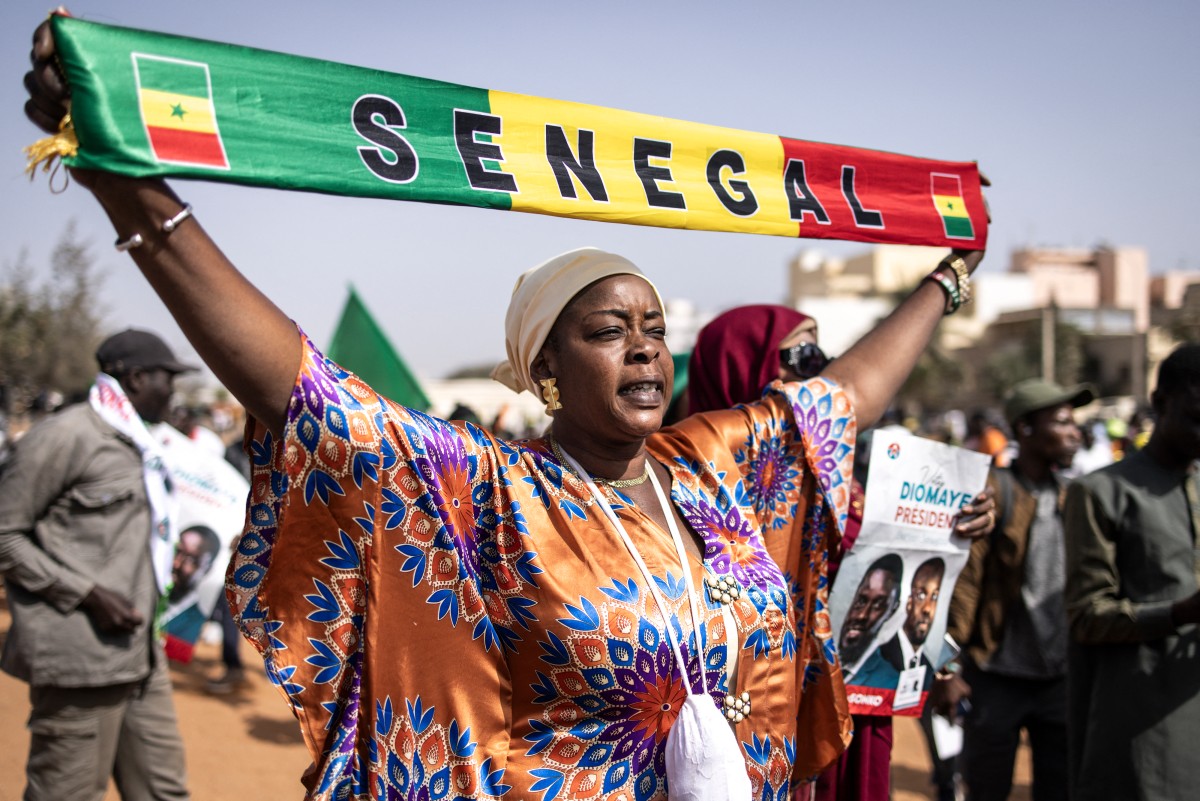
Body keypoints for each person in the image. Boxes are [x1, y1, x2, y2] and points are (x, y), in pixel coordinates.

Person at [24, 15, 987, 799]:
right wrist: (123, 184)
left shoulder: (712, 470)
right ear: (549, 370)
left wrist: (947, 277)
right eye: (610, 329)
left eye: (654, 324)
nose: (646, 343)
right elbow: (302, 388)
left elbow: (847, 393)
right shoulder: (492, 493)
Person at [685, 305, 993, 801]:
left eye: (822, 356)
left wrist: (956, 522)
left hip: (848, 701)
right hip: (742, 710)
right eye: (803, 356)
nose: (820, 371)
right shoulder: (681, 481)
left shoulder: (835, 476)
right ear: (739, 364)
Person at [0, 327, 194, 801]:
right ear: (133, 379)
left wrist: (168, 560)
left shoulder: (142, 445)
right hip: (81, 659)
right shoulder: (65, 438)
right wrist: (86, 593)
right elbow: (5, 534)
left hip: (141, 654)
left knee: (163, 791)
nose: (174, 391)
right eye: (167, 378)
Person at [942, 378, 1092, 801]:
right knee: (987, 787)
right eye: (1062, 422)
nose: (1074, 433)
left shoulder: (1074, 496)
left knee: (1060, 787)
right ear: (1025, 429)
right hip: (996, 676)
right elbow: (964, 587)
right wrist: (950, 669)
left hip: (1059, 680)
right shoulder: (993, 493)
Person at [1064, 344, 1200, 800]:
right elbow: (1086, 616)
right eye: (1195, 415)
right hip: (1142, 721)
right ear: (1161, 404)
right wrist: (1179, 612)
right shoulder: (1101, 493)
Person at [855, 557, 944, 689]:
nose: (927, 609)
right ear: (908, 602)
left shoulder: (929, 665)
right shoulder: (879, 653)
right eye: (921, 596)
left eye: (934, 597)